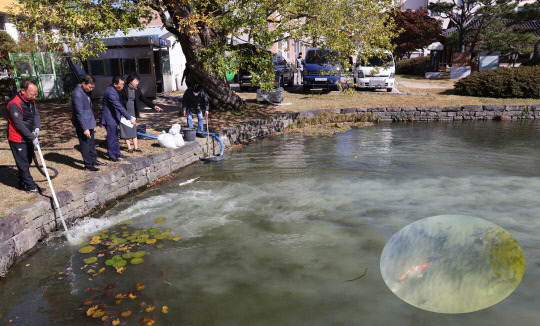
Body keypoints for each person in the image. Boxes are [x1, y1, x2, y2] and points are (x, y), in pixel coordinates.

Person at [6, 80, 45, 193]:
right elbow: (18, 124)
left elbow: (36, 114)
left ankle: (22, 182)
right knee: (22, 163)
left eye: (36, 94)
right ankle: (31, 186)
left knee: (28, 160)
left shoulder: (30, 100)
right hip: (17, 138)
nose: (34, 96)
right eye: (32, 94)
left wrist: (37, 127)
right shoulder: (14, 103)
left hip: (27, 135)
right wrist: (32, 137)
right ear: (23, 91)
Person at [119, 72, 163, 153]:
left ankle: (136, 147)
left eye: (138, 81)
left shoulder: (137, 89)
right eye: (136, 81)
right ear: (131, 80)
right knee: (126, 129)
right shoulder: (124, 88)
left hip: (133, 111)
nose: (137, 82)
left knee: (133, 128)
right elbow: (119, 100)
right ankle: (129, 147)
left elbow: (144, 99)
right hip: (124, 111)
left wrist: (153, 106)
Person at [71, 74, 107, 171]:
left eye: (92, 87)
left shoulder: (84, 90)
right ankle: (88, 164)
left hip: (89, 121)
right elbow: (79, 113)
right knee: (85, 145)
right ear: (83, 83)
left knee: (91, 143)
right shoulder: (77, 94)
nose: (91, 89)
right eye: (90, 87)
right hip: (82, 124)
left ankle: (94, 160)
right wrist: (85, 128)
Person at [100, 75, 136, 162]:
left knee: (115, 136)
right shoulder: (110, 92)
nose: (122, 86)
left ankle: (117, 152)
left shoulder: (114, 90)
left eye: (123, 84)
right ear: (115, 84)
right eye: (121, 84)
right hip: (109, 118)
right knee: (111, 137)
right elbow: (118, 106)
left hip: (114, 117)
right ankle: (112, 155)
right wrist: (129, 118)